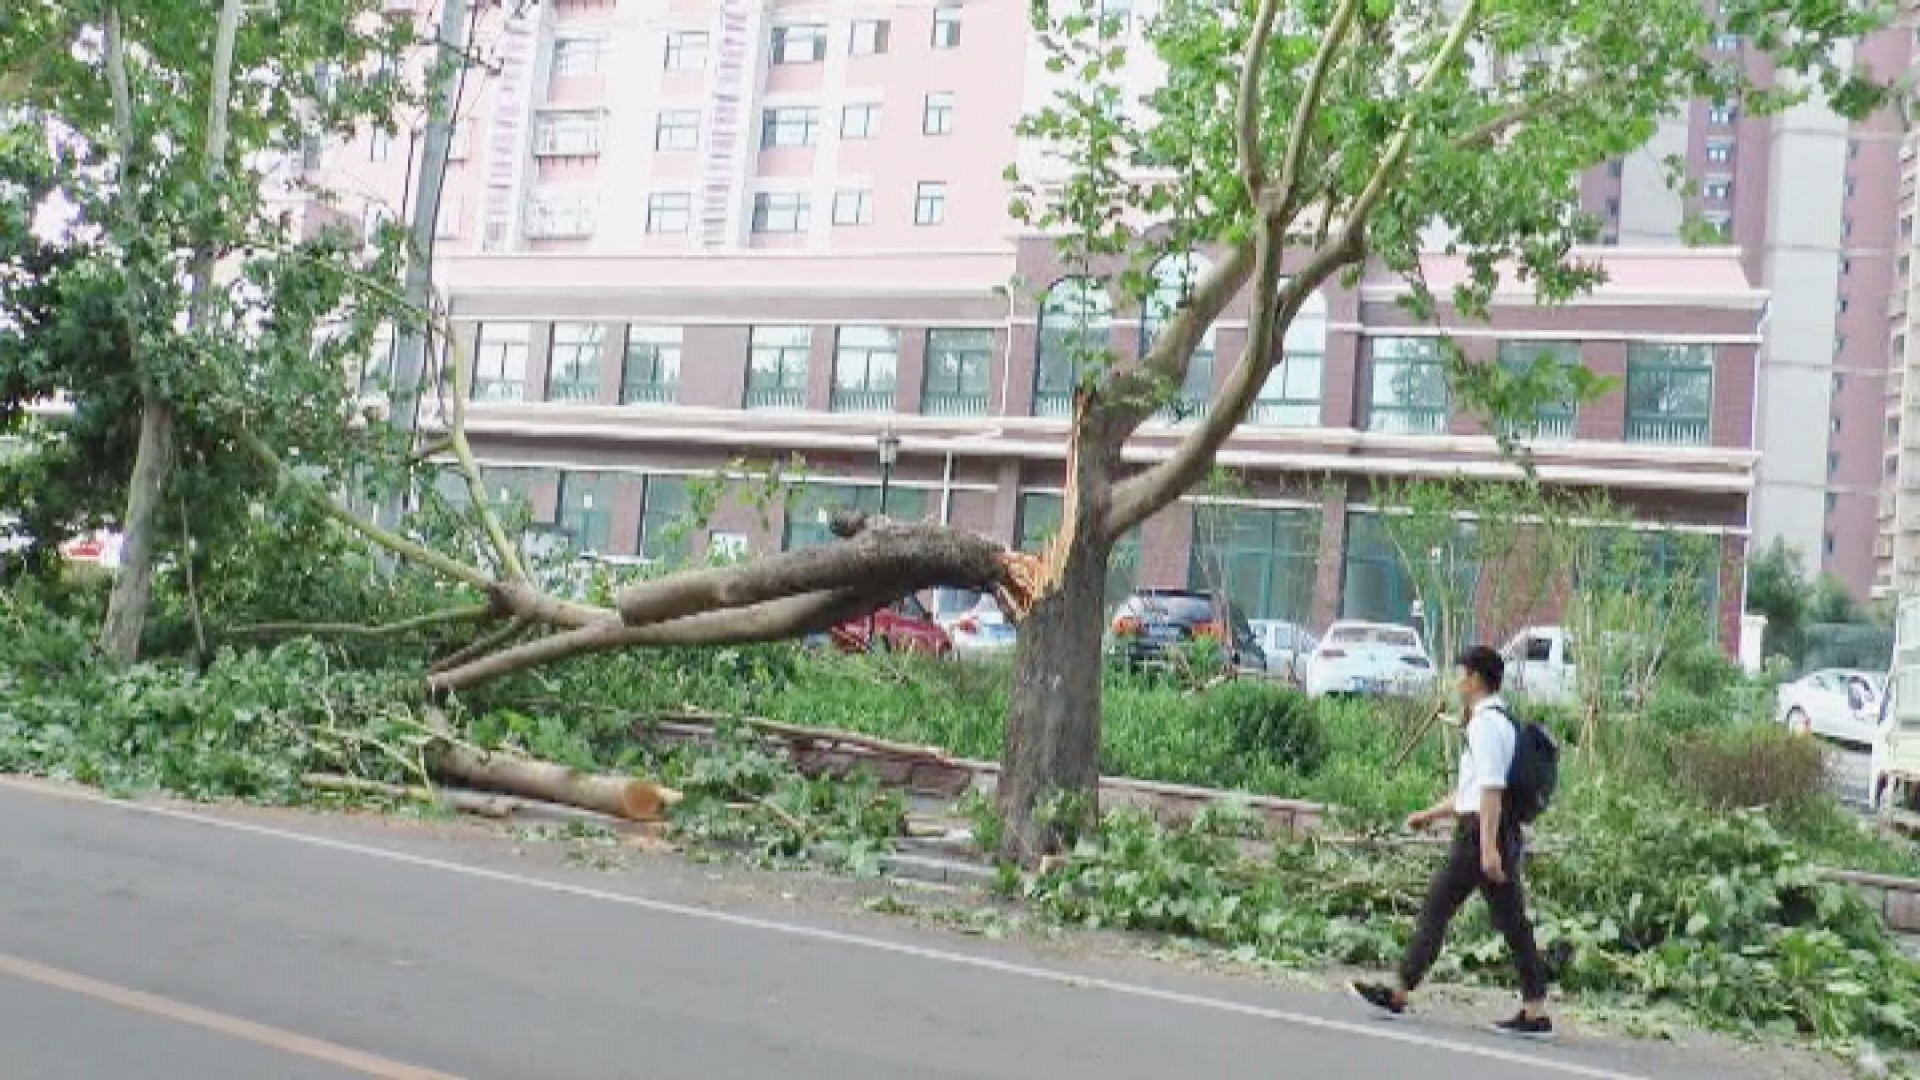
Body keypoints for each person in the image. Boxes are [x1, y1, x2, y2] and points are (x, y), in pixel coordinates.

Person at [1352, 645, 1552, 1038]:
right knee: (1512, 923)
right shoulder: (1498, 721)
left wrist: (1490, 849)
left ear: (1475, 679)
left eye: (1460, 674)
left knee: (1436, 907)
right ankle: (1535, 1010)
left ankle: (1399, 991)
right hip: (1488, 831)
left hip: (1481, 837)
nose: (1457, 681)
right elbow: (1473, 791)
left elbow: (1491, 790)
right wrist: (1429, 815)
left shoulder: (1484, 724)